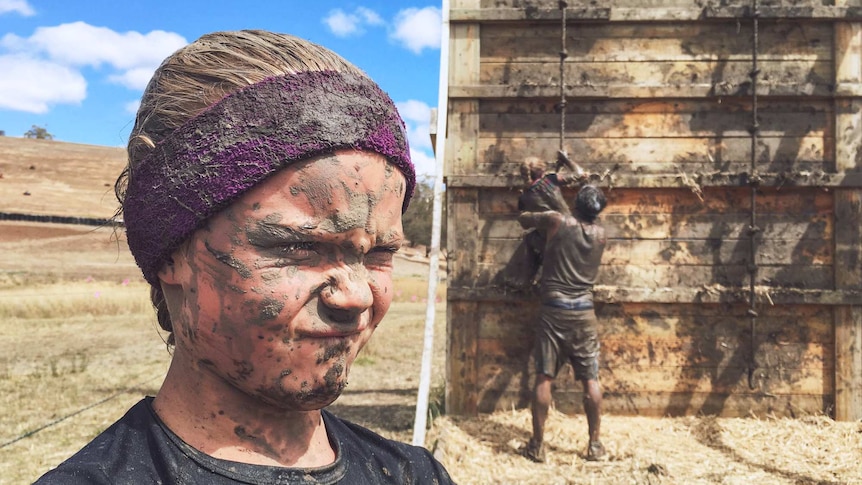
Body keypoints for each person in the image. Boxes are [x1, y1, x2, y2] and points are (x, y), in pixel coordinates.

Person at [35, 30, 454, 484]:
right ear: (173, 250)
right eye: (298, 246)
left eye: (379, 253)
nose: (355, 297)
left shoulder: (414, 474)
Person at [516, 184, 608, 463]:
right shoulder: (602, 235)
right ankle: (594, 446)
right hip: (584, 312)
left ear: (576, 203)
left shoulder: (556, 220)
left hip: (553, 310)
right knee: (591, 379)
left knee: (544, 377)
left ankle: (537, 446)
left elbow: (524, 220)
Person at [501, 151, 587, 290]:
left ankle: (527, 280)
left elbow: (524, 218)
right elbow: (580, 173)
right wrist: (566, 159)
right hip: (572, 234)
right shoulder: (551, 180)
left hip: (549, 242)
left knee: (530, 239)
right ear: (542, 171)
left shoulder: (524, 197)